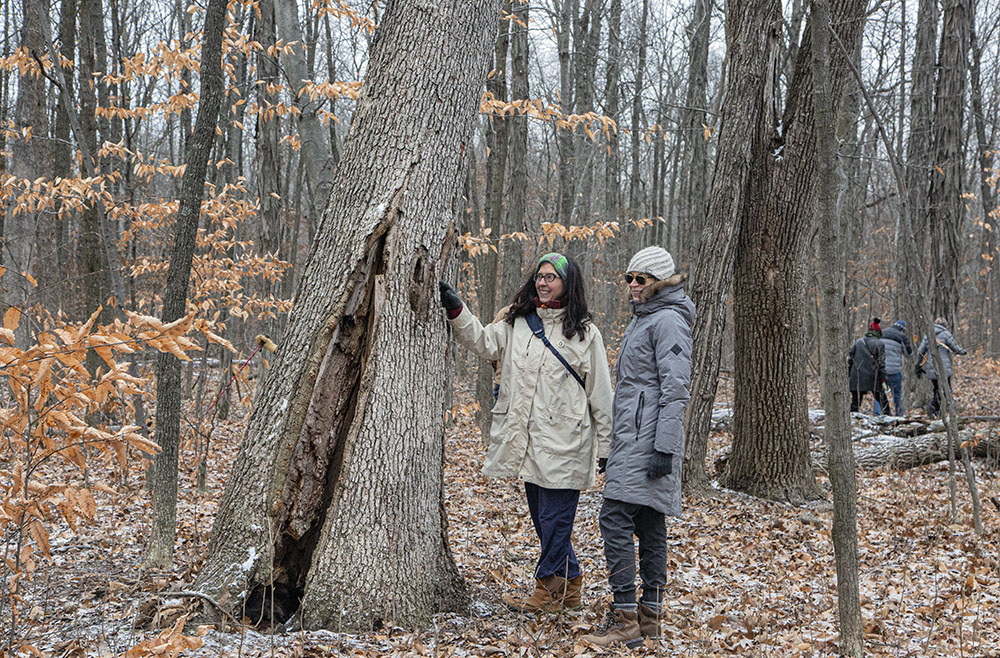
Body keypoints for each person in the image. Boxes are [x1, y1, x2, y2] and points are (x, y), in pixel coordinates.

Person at [438, 252, 613, 613]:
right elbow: (483, 341)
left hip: (568, 443)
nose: (543, 283)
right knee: (542, 519)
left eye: (551, 277)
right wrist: (456, 310)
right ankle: (571, 585)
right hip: (529, 444)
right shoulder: (518, 324)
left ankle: (546, 587)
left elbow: (601, 394)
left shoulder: (585, 334)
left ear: (568, 283)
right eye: (540, 276)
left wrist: (608, 449)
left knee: (555, 521)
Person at [581, 246, 694, 648]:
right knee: (648, 522)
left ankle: (626, 616)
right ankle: (649, 619)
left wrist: (664, 447)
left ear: (659, 282)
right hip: (633, 438)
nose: (632, 285)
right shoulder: (645, 319)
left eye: (640, 279)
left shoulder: (668, 322)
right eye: (629, 277)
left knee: (614, 518)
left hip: (648, 442)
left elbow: (676, 389)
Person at [916, 317, 966, 418]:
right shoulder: (946, 334)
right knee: (944, 390)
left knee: (937, 389)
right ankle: (932, 407)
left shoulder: (928, 335)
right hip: (944, 368)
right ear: (945, 325)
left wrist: (918, 365)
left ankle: (936, 412)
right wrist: (963, 351)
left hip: (932, 367)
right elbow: (955, 348)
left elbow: (920, 351)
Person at [848, 319, 886, 414]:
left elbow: (850, 359)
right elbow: (881, 363)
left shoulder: (858, 342)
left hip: (856, 376)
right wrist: (884, 377)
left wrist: (849, 374)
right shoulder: (879, 343)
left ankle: (851, 421)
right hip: (873, 377)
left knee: (855, 403)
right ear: (878, 332)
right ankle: (889, 419)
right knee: (882, 400)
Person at [881, 320, 914, 415]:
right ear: (902, 329)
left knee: (880, 394)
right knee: (897, 394)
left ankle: (878, 414)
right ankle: (899, 415)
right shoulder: (902, 337)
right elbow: (909, 354)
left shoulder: (882, 333)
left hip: (881, 371)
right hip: (895, 371)